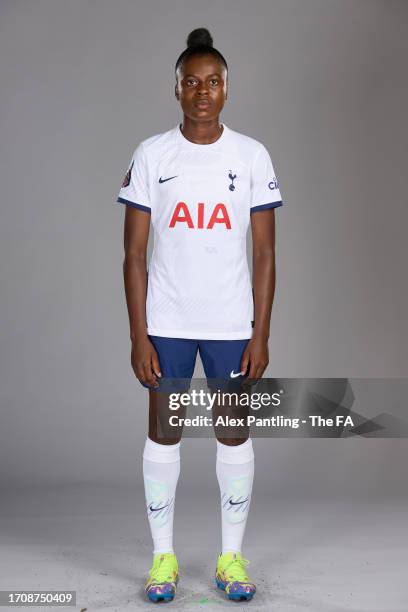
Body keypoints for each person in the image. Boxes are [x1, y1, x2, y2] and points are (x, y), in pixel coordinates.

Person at [116, 27, 284, 603]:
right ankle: (162, 560)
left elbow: (264, 253)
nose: (203, 91)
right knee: (165, 435)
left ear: (227, 89)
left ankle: (230, 560)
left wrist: (260, 333)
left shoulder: (251, 155)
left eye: (213, 82)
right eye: (193, 82)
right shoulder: (152, 154)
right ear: (178, 89)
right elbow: (133, 254)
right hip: (166, 323)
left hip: (231, 326)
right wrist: (139, 335)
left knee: (233, 436)